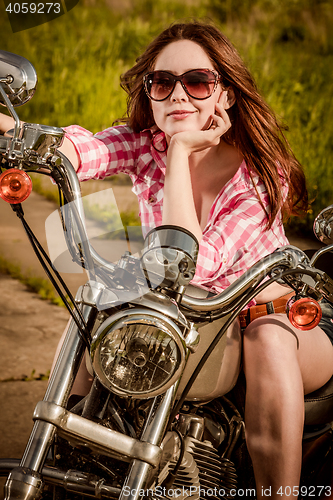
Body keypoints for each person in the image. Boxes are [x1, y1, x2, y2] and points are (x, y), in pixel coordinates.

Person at [1, 20, 333, 500]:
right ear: (150, 93)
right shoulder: (145, 145)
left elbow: (193, 263)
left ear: (227, 94)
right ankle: (63, 448)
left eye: (197, 82)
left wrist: (180, 154)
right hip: (192, 321)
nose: (179, 94)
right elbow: (79, 149)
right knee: (96, 305)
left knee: (267, 339)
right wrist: (16, 134)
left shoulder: (262, 174)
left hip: (275, 323)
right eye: (162, 82)